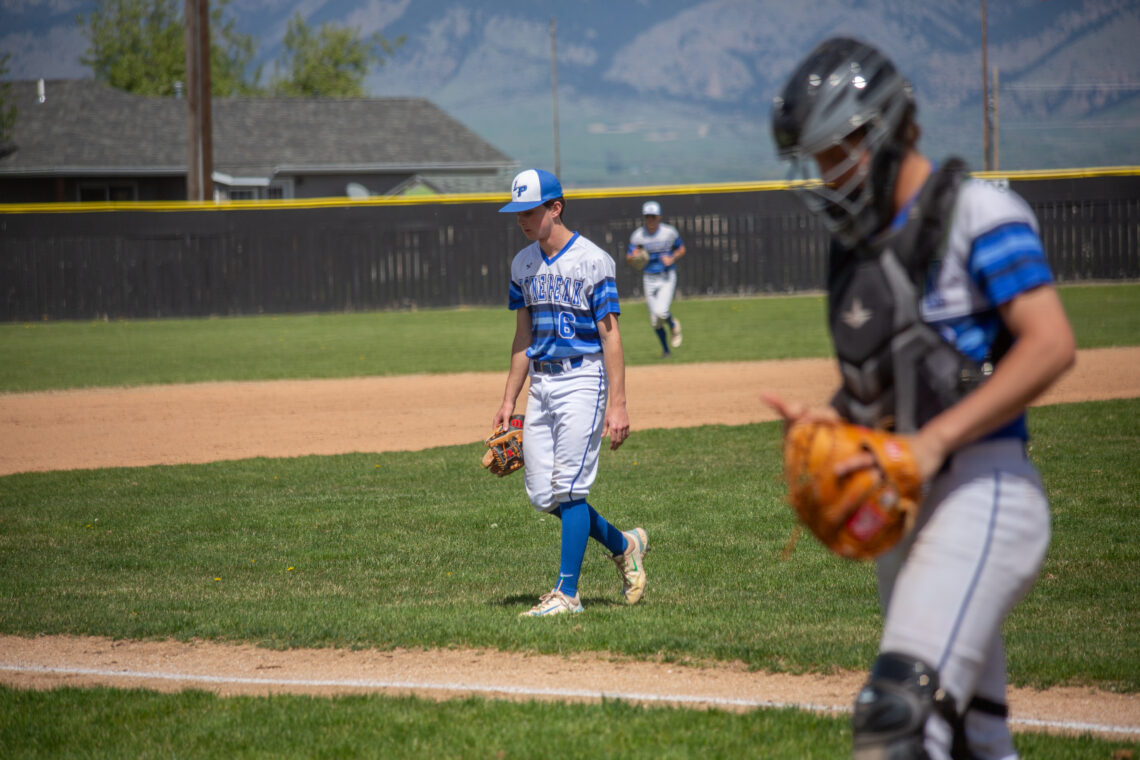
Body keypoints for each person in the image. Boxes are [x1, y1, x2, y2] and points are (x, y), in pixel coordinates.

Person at [765, 38, 1075, 759]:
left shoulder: (977, 214)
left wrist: (933, 442)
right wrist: (832, 419)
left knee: (896, 721)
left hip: (982, 493)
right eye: (817, 160)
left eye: (836, 152)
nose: (825, 175)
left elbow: (1050, 344)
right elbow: (889, 380)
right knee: (974, 738)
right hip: (903, 507)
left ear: (888, 127)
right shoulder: (859, 251)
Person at [493, 168, 649, 617]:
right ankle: (625, 544)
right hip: (541, 383)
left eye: (530, 210)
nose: (522, 219)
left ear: (554, 208)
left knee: (569, 489)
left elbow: (611, 335)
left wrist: (617, 405)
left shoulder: (592, 260)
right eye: (517, 212)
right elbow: (523, 337)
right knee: (543, 495)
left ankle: (568, 594)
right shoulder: (522, 264)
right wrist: (508, 400)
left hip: (584, 378)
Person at [627, 200, 687, 358]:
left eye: (653, 216)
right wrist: (633, 257)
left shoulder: (669, 232)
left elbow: (681, 249)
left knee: (661, 312)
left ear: (659, 217)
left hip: (666, 276)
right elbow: (629, 257)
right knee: (655, 321)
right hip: (649, 278)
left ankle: (673, 325)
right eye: (647, 216)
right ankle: (666, 351)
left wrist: (672, 257)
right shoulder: (638, 236)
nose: (650, 220)